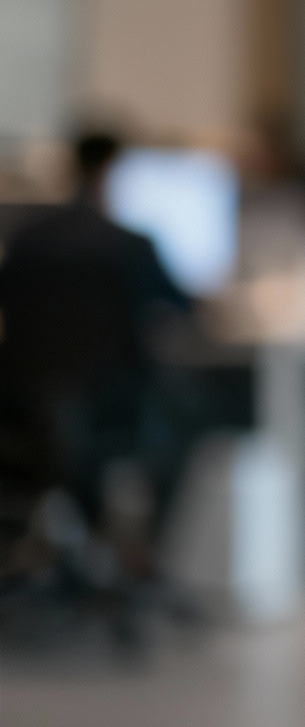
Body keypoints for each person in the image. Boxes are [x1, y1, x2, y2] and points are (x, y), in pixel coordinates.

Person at [0, 131, 194, 558]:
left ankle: (90, 553)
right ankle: (145, 554)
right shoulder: (131, 245)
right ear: (113, 172)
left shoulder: (25, 239)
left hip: (27, 413)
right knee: (190, 415)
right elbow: (185, 307)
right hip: (109, 411)